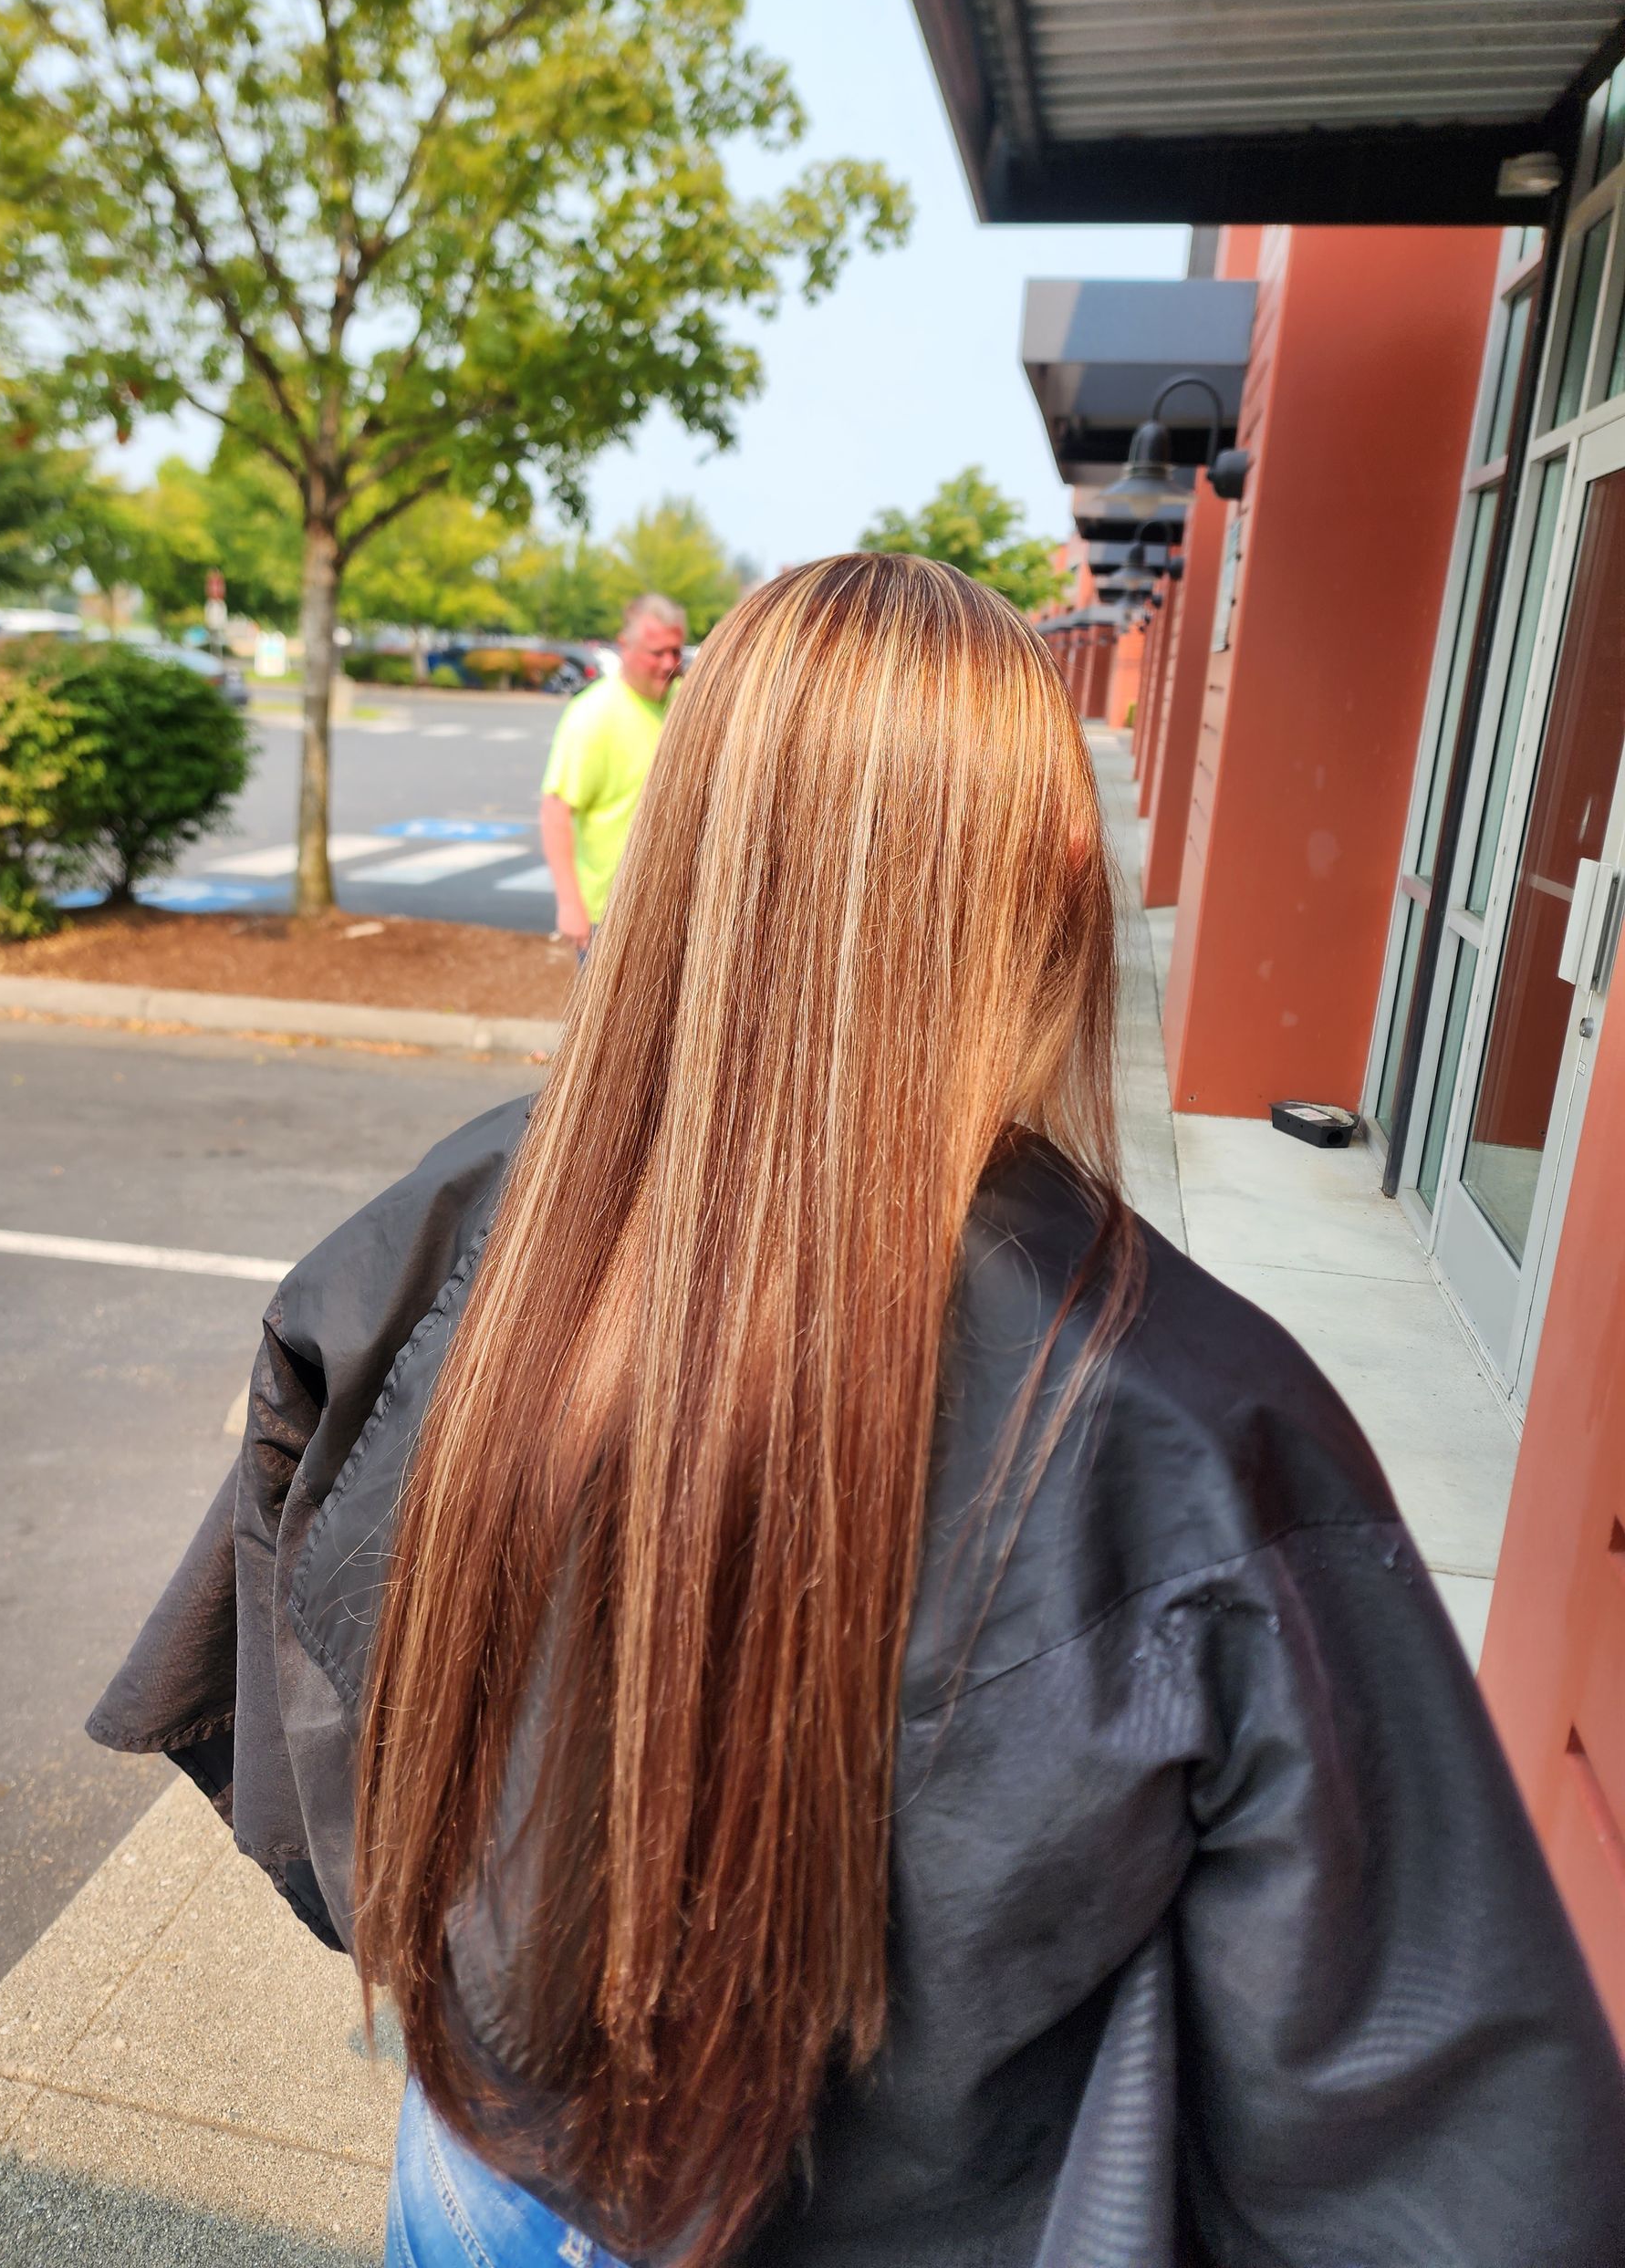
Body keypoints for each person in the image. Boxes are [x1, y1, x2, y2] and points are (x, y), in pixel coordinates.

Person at [90, 554, 1625, 2268]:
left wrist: (471, 1969)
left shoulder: (465, 1227)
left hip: (482, 2166)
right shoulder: (1198, 1423)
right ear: (1053, 874)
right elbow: (1430, 2124)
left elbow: (281, 1645)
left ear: (687, 841)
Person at [540, 592, 686, 953]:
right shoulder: (593, 715)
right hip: (610, 916)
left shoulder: (687, 703)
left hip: (676, 912)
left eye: (676, 651)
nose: (668, 663)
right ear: (625, 647)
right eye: (657, 653)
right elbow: (556, 810)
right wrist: (570, 904)